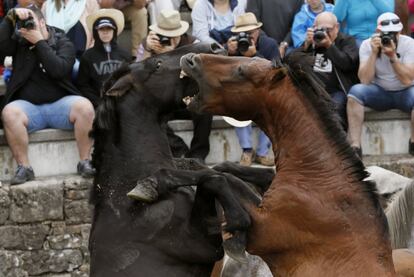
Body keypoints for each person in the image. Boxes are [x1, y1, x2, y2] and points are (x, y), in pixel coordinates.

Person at [0, 5, 95, 184]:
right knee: (9, 113)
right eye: (24, 24)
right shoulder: (20, 41)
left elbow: (59, 70)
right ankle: (24, 167)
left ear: (43, 22)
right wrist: (8, 19)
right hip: (29, 110)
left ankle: (85, 161)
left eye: (32, 23)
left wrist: (40, 43)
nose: (28, 27)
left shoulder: (62, 41)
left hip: (60, 106)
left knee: (85, 107)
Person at [141, 9, 212, 163]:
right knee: (146, 114)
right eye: (165, 34)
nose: (168, 38)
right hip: (164, 100)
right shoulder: (150, 43)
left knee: (205, 109)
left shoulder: (194, 45)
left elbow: (202, 76)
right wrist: (148, 51)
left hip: (188, 98)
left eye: (172, 35)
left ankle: (198, 156)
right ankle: (179, 150)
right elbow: (139, 76)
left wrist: (171, 55)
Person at [347, 12, 414, 158]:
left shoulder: (409, 44)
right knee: (354, 93)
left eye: (394, 33)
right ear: (378, 32)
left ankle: (413, 143)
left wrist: (393, 57)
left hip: (406, 91)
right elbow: (364, 80)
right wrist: (373, 54)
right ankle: (355, 147)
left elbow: (408, 80)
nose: (390, 36)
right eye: (386, 33)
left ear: (400, 31)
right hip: (380, 92)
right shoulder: (366, 45)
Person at [226, 12, 279, 166]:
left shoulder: (270, 44)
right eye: (242, 34)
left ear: (257, 31)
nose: (246, 37)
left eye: (249, 33)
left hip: (265, 89)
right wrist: (228, 52)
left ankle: (262, 152)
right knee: (236, 103)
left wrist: (255, 54)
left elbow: (276, 71)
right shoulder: (232, 45)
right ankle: (247, 150)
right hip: (240, 90)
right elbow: (225, 73)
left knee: (273, 105)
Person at [302, 11, 359, 129]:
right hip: (313, 90)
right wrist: (306, 46)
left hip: (337, 91)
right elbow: (294, 65)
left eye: (328, 29)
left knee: (335, 109)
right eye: (320, 29)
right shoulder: (312, 43)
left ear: (337, 27)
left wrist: (329, 46)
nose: (324, 33)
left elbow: (347, 64)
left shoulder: (347, 41)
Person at [77, 8, 131, 107]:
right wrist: (98, 102)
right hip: (98, 105)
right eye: (101, 29)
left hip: (122, 104)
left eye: (109, 29)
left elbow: (130, 80)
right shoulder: (87, 56)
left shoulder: (125, 55)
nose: (105, 32)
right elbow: (82, 84)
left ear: (114, 31)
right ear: (95, 31)